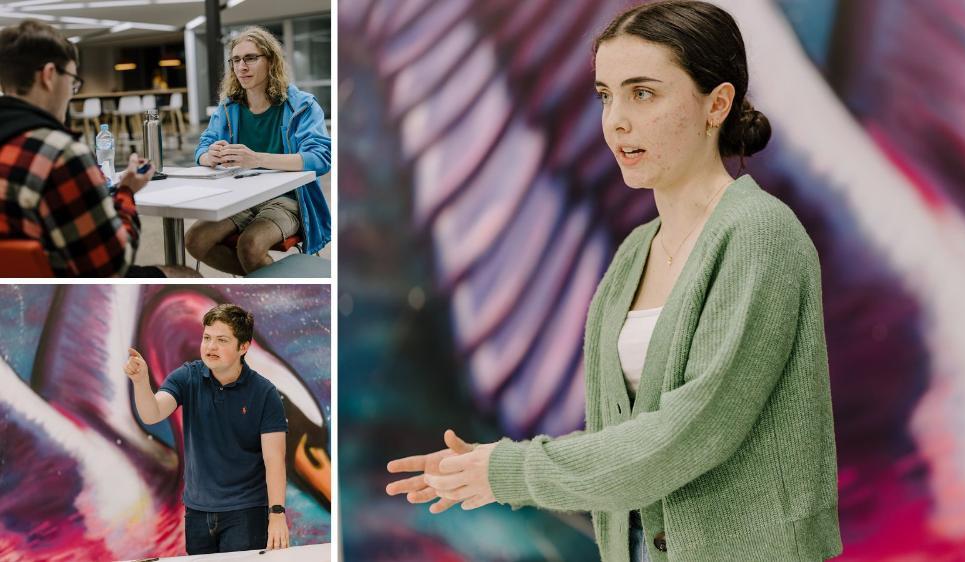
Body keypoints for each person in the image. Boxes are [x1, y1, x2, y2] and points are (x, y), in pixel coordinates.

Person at [385, 2, 843, 561]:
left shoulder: (759, 234)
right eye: (606, 95)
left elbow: (687, 436)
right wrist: (482, 466)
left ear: (716, 104)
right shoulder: (633, 254)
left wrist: (507, 472)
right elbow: (626, 438)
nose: (616, 120)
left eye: (642, 93)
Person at [0, 20, 197, 278]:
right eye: (72, 81)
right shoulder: (60, 154)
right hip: (65, 295)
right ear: (49, 75)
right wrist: (126, 191)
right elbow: (113, 263)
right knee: (186, 275)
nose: (71, 93)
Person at [124, 304, 290, 553]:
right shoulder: (187, 377)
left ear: (243, 346)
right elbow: (152, 413)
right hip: (197, 512)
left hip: (245, 512)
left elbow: (274, 458)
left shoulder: (265, 393)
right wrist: (140, 382)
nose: (210, 347)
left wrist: (277, 514)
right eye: (207, 338)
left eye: (221, 340)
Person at [186, 26, 332, 275]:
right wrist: (209, 155)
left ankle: (270, 290)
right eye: (236, 60)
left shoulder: (302, 105)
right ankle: (260, 282)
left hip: (288, 199)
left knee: (250, 246)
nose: (242, 67)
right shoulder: (229, 107)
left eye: (251, 58)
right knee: (195, 240)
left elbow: (320, 159)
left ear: (271, 61)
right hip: (240, 197)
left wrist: (257, 159)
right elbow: (202, 147)